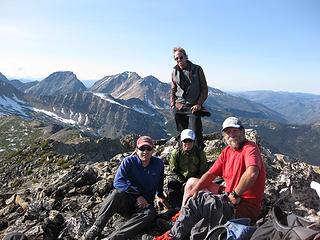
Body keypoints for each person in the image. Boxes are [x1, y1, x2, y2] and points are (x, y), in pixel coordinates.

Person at [152, 116, 266, 239]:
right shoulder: (227, 151)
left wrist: (235, 194)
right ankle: (180, 218)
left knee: (198, 201)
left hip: (243, 204)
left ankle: (171, 236)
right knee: (192, 184)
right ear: (224, 136)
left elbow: (252, 173)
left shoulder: (250, 148)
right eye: (228, 132)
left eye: (235, 131)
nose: (231, 135)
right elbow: (210, 174)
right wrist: (195, 189)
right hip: (229, 196)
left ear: (242, 132)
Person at [83, 136, 166, 240]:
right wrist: (137, 196)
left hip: (144, 206)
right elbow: (118, 182)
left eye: (149, 149)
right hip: (128, 201)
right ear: (136, 150)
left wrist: (159, 195)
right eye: (142, 149)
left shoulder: (158, 164)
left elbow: (160, 180)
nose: (145, 151)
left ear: (153, 150)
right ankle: (97, 227)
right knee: (116, 194)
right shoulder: (128, 161)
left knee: (150, 213)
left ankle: (112, 238)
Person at [170, 47, 208, 149]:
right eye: (176, 58)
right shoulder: (174, 72)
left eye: (181, 57)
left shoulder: (197, 69)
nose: (179, 60)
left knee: (195, 131)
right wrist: (173, 104)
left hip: (193, 106)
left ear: (186, 57)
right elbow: (173, 89)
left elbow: (204, 88)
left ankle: (199, 152)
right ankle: (183, 153)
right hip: (179, 106)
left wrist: (199, 104)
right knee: (182, 133)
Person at [166, 128, 208, 209]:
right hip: (180, 180)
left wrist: (193, 182)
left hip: (195, 180)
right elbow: (173, 171)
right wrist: (183, 182)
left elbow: (203, 170)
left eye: (190, 141)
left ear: (194, 141)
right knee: (172, 184)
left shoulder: (200, 153)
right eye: (185, 141)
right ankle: (176, 207)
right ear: (181, 141)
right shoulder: (176, 153)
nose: (187, 144)